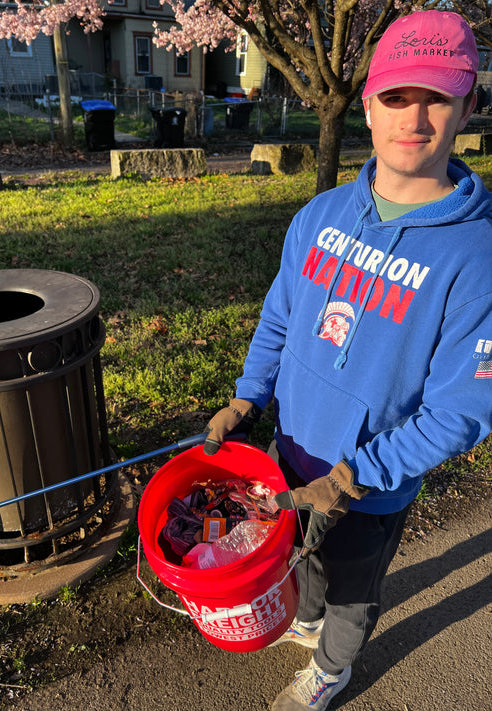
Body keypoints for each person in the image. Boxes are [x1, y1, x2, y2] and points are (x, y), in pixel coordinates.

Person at [203, 9, 492, 711]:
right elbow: (280, 316)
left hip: (368, 483)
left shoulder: (476, 256)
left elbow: (462, 407)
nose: (413, 118)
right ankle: (303, 616)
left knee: (353, 590)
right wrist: (248, 396)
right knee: (300, 556)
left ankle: (332, 668)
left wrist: (358, 473)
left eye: (435, 97)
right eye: (396, 96)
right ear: (366, 105)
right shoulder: (319, 216)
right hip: (290, 451)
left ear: (467, 107)